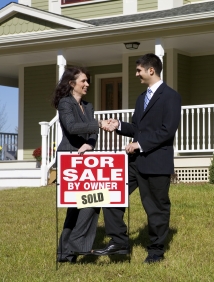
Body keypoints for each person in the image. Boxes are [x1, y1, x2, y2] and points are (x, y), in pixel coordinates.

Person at [93, 53, 181, 263]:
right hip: (135, 163)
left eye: (139, 70)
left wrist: (139, 144)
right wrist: (119, 126)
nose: (136, 74)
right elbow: (139, 128)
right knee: (112, 196)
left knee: (156, 209)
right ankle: (119, 242)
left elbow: (167, 131)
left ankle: (156, 252)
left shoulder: (171, 96)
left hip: (157, 163)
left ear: (151, 70)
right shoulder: (142, 98)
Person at [53, 66, 111, 263]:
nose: (87, 84)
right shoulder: (65, 104)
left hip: (86, 160)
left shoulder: (88, 106)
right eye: (83, 81)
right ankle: (71, 249)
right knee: (82, 205)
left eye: (88, 81)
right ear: (72, 83)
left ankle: (67, 252)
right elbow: (72, 127)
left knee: (87, 203)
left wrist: (90, 143)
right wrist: (99, 124)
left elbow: (92, 133)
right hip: (68, 159)